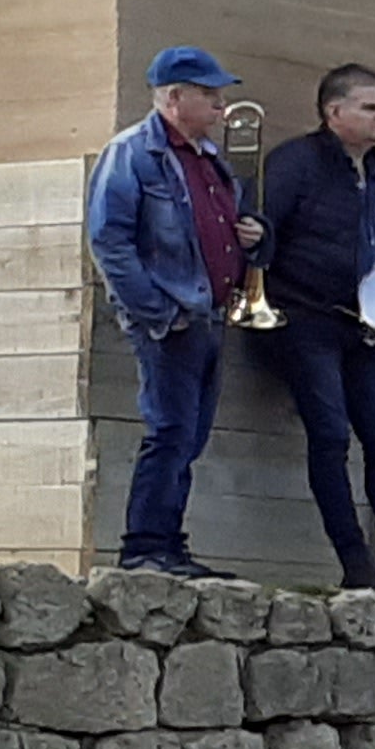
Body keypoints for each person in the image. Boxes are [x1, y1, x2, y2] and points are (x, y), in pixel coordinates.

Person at [255, 62, 375, 593]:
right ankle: (356, 563)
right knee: (331, 435)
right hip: (305, 318)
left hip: (365, 326)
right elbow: (262, 232)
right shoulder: (295, 163)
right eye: (370, 107)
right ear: (334, 112)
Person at [82, 46, 265, 577]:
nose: (220, 105)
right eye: (209, 95)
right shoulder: (132, 153)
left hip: (206, 313)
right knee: (170, 431)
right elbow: (109, 240)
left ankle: (167, 543)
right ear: (173, 98)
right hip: (172, 316)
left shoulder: (208, 157)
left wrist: (256, 236)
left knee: (189, 436)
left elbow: (224, 227)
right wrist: (156, 311)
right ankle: (145, 547)